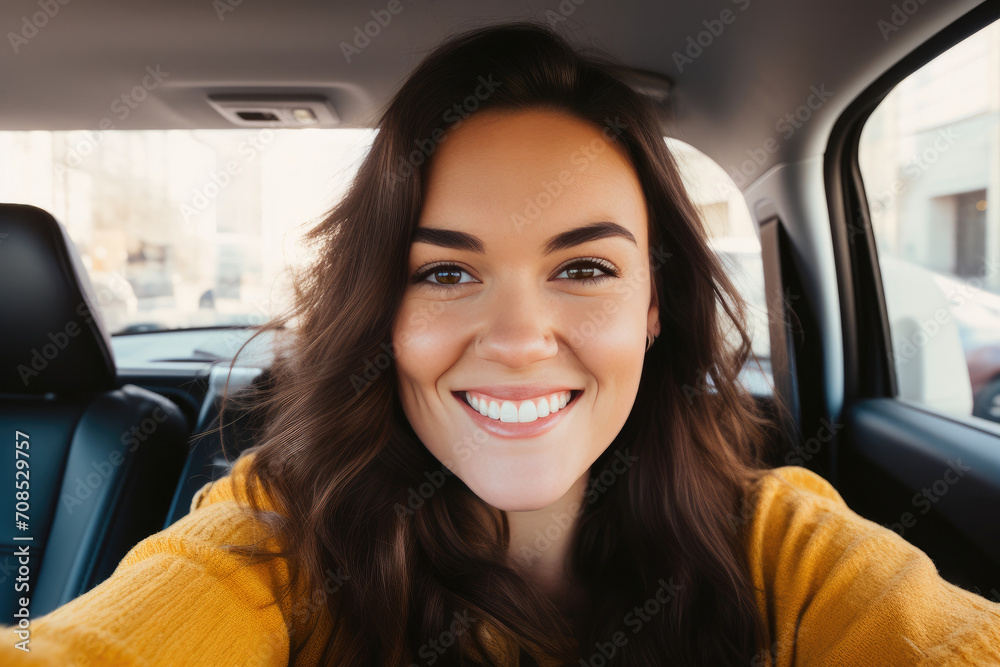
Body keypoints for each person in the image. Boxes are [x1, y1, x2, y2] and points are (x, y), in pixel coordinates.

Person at [4, 21, 1000, 667]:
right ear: (381, 314)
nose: (520, 339)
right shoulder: (277, 537)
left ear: (657, 305)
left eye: (583, 268)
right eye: (444, 272)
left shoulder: (780, 543)